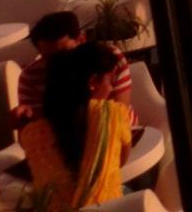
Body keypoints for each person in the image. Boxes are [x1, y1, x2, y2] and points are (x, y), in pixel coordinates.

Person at [19, 42, 132, 212]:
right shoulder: (112, 116)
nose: (110, 88)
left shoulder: (32, 134)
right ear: (93, 81)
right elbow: (121, 161)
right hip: (107, 207)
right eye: (109, 80)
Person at [15, 11, 134, 123]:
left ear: (81, 40)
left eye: (65, 53)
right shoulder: (31, 77)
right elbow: (49, 129)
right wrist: (99, 96)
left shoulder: (107, 59)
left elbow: (121, 116)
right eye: (49, 58)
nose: (59, 62)